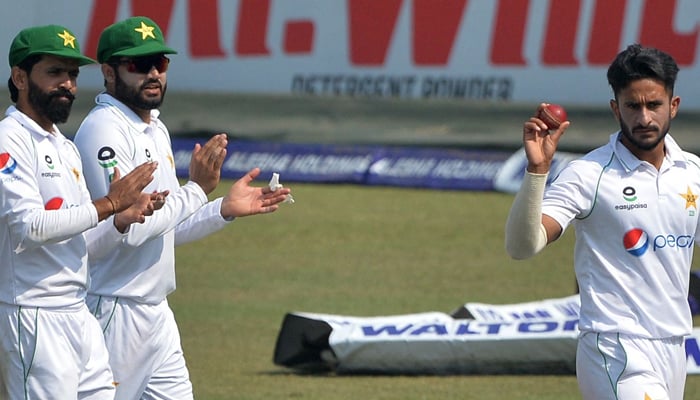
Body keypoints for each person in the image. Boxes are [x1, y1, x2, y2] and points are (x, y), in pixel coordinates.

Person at [73, 16, 292, 399]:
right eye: (139, 65)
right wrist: (197, 190)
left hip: (157, 311)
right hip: (114, 310)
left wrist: (223, 207)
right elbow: (133, 228)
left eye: (161, 63)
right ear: (108, 71)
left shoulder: (154, 127)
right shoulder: (103, 130)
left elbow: (172, 225)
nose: (154, 73)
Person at [505, 43, 698, 399]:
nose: (644, 118)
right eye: (632, 106)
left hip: (675, 347)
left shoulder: (692, 173)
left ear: (673, 105)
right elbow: (521, 246)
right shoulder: (588, 174)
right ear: (615, 109)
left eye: (654, 105)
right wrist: (537, 172)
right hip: (614, 347)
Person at [0, 24, 164, 399]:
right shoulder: (10, 137)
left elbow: (81, 245)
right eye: (55, 73)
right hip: (34, 315)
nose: (68, 85)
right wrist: (108, 204)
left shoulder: (65, 146)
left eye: (72, 74)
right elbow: (29, 227)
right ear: (20, 77)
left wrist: (120, 220)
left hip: (78, 313)